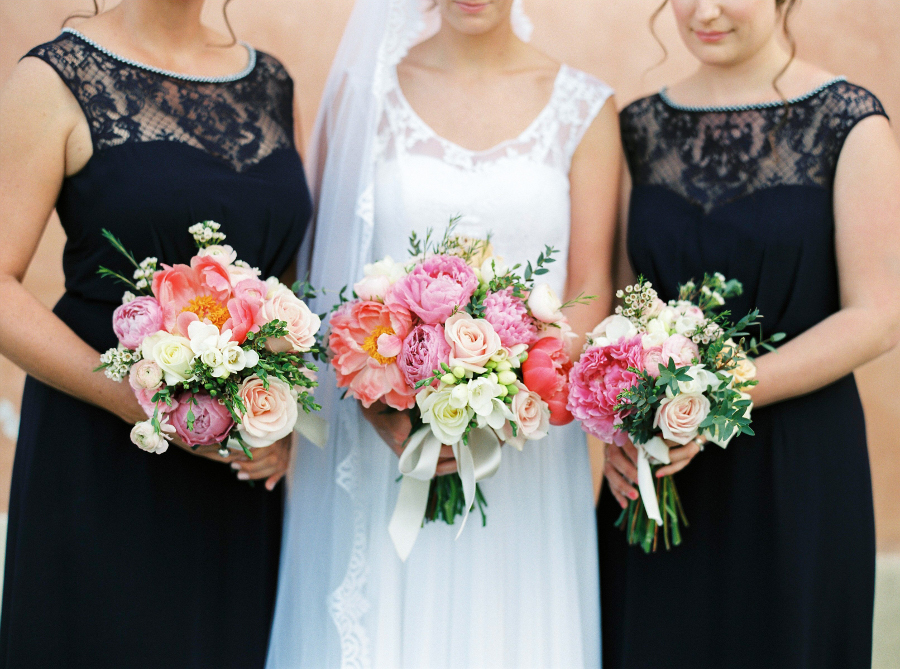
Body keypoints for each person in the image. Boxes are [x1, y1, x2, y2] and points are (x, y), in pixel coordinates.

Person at [267, 0, 620, 666]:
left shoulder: (585, 107)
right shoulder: (362, 93)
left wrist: (506, 392)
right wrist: (379, 389)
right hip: (383, 438)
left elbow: (590, 291)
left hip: (527, 447)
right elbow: (322, 281)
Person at [0, 1, 310, 666]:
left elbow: (285, 281)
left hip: (232, 472)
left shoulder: (272, 84)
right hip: (100, 452)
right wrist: (134, 400)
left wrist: (277, 418)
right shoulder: (55, 78)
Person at [598, 0, 900, 667]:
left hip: (798, 468)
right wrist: (622, 425)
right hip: (663, 470)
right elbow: (622, 306)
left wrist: (715, 394)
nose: (704, 11)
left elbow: (878, 316)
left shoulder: (850, 121)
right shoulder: (637, 128)